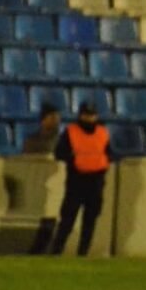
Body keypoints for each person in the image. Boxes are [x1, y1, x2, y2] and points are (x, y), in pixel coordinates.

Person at [51, 103, 114, 257]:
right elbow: (59, 153)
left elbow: (109, 153)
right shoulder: (71, 132)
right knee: (68, 219)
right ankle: (56, 251)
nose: (89, 118)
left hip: (96, 181)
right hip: (76, 181)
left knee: (90, 220)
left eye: (91, 115)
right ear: (80, 115)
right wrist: (74, 161)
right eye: (86, 115)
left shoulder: (102, 133)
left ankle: (83, 252)